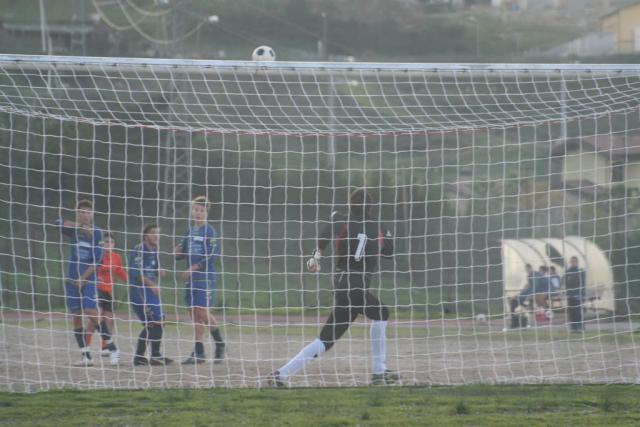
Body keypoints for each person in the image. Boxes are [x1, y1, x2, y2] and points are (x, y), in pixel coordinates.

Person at [269, 188, 398, 387]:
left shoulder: (341, 220)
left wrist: (315, 258)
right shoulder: (379, 225)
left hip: (341, 285)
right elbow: (389, 252)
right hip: (357, 287)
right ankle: (379, 372)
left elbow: (323, 238)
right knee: (382, 313)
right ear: (370, 207)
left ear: (350, 205)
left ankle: (281, 374)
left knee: (326, 340)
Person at [54, 199, 117, 366]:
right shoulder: (74, 230)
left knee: (91, 311)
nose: (85, 215)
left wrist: (83, 278)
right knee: (76, 316)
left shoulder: (97, 233)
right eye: (81, 212)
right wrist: (78, 226)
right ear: (77, 213)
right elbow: (57, 222)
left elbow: (98, 260)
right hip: (72, 280)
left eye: (88, 212)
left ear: (92, 214)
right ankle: (86, 356)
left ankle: (112, 348)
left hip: (88, 279)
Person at [175, 196, 225, 365]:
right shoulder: (189, 231)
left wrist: (193, 268)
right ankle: (199, 352)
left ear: (206, 212)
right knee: (193, 313)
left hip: (204, 278)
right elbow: (182, 253)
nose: (198, 213)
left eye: (201, 210)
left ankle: (220, 344)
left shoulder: (209, 231)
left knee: (202, 311)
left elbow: (212, 255)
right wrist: (177, 253)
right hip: (191, 279)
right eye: (195, 209)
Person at [129, 224, 173, 366]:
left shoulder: (154, 250)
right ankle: (152, 356)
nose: (156, 236)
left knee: (155, 322)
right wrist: (152, 284)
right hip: (140, 291)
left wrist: (158, 270)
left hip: (150, 292)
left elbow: (151, 268)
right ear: (145, 235)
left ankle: (143, 357)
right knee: (155, 322)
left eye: (158, 233)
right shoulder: (139, 249)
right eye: (153, 233)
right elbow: (137, 274)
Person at [88, 232, 127, 359]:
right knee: (95, 319)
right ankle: (86, 348)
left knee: (109, 319)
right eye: (106, 242)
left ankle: (105, 347)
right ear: (101, 244)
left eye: (111, 242)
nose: (108, 244)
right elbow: (91, 269)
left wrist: (130, 282)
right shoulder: (97, 255)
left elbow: (120, 271)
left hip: (108, 292)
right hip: (96, 290)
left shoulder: (116, 257)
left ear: (114, 244)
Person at [564, 256, 586, 332]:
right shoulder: (568, 272)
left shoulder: (581, 271)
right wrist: (567, 293)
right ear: (570, 262)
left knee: (578, 311)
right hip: (570, 295)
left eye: (575, 261)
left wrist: (582, 294)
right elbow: (566, 283)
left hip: (578, 294)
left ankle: (580, 327)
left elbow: (583, 283)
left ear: (577, 262)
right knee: (571, 311)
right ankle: (573, 327)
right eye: (572, 261)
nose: (573, 263)